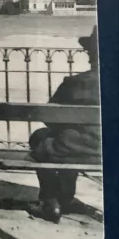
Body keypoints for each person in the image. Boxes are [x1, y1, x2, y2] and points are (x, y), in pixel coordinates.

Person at [27, 25, 101, 223]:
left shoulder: (75, 83)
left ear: (92, 53)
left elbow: (50, 115)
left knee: (41, 138)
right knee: (67, 141)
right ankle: (66, 198)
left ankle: (50, 201)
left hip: (72, 146)